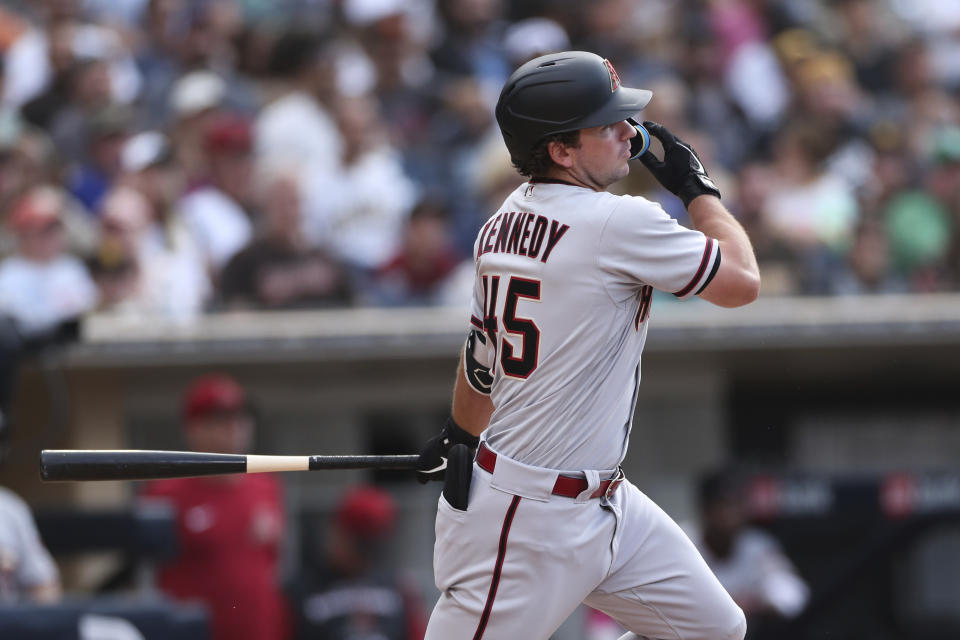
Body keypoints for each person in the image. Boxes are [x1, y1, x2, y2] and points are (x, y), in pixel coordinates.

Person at [415, 51, 760, 640]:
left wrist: (463, 434)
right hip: (528, 516)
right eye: (607, 125)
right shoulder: (616, 221)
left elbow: (480, 361)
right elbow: (742, 282)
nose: (630, 132)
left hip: (604, 502)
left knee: (712, 630)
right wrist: (697, 187)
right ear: (561, 150)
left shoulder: (503, 218)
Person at [141, 374, 289, 640]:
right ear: (193, 428)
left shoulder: (266, 485)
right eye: (220, 419)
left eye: (239, 417)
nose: (234, 427)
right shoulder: (165, 492)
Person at [285, 485, 427, 640]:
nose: (363, 558)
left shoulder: (400, 589)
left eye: (371, 548)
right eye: (358, 545)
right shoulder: (299, 590)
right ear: (336, 531)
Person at [690, 469, 809, 632]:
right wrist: (726, 604)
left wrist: (755, 603)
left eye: (737, 505)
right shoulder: (682, 542)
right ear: (705, 510)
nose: (731, 514)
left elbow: (793, 595)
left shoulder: (758, 547)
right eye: (723, 505)